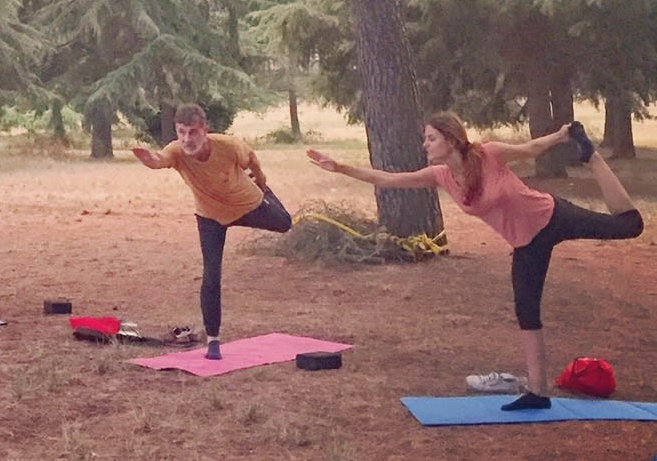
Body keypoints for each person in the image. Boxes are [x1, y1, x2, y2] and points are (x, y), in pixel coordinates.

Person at [308, 116, 644, 409]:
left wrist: (562, 137)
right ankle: (538, 392)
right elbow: (389, 179)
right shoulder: (441, 175)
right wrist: (340, 168)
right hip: (526, 244)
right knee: (526, 311)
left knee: (630, 227)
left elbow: (530, 149)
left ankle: (594, 159)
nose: (425, 144)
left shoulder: (489, 153)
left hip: (551, 215)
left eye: (431, 138)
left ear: (451, 139)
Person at [132, 103, 293, 359]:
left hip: (248, 206)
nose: (187, 139)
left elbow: (251, 158)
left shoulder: (228, 146)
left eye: (193, 132)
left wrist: (262, 184)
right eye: (182, 131)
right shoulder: (176, 151)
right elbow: (160, 160)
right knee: (211, 273)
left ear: (205, 130)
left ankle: (268, 198)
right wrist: (149, 160)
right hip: (210, 217)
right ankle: (213, 341)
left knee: (285, 223)